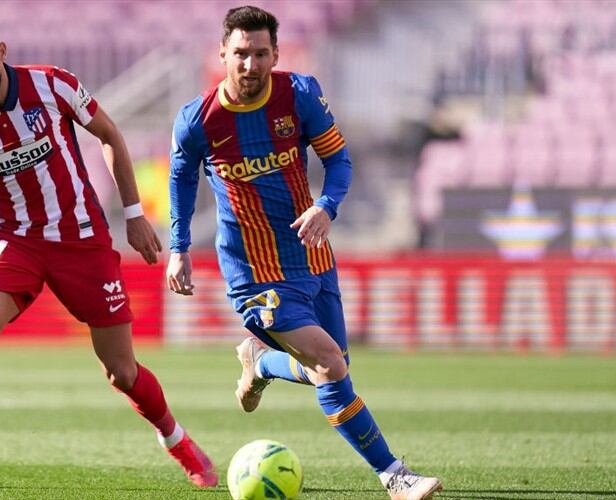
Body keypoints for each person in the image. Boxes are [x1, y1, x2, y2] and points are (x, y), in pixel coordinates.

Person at [0, 13, 217, 490]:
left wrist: (134, 214)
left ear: (3, 51)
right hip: (16, 240)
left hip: (81, 239)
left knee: (120, 371)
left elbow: (110, 136)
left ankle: (177, 441)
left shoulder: (52, 85)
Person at [166, 5, 442, 500]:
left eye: (260, 54)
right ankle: (394, 476)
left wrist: (327, 207)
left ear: (275, 54)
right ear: (222, 54)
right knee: (330, 365)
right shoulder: (198, 121)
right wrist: (179, 247)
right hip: (253, 271)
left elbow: (338, 158)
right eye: (240, 55)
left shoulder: (300, 96)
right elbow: (182, 180)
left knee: (334, 368)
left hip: (312, 255)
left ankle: (259, 361)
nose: (250, 66)